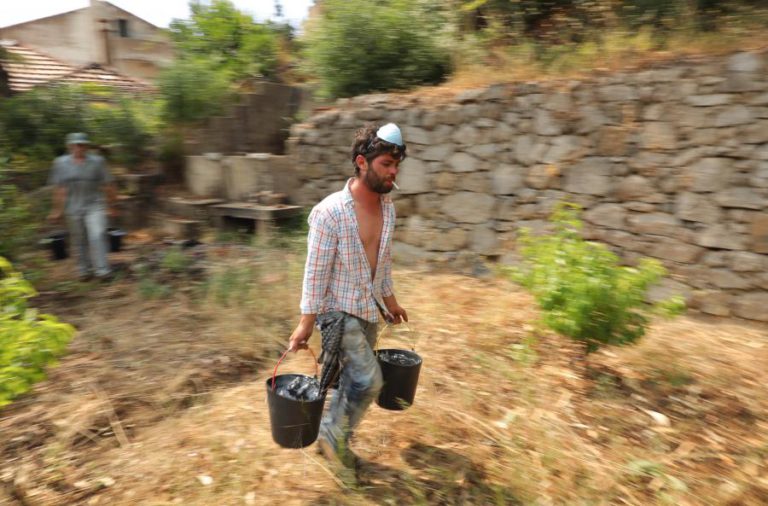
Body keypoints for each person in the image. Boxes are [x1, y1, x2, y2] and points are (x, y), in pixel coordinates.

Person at [288, 123, 409, 470]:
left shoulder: (388, 211)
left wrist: (390, 302)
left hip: (366, 310)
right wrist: (305, 323)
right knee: (369, 380)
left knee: (349, 381)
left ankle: (333, 443)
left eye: (396, 165)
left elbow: (381, 261)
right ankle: (330, 436)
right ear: (361, 162)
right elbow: (315, 271)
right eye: (386, 164)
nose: (393, 172)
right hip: (335, 312)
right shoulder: (330, 213)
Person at [47, 132, 117, 280]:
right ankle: (84, 270)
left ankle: (102, 271)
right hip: (73, 206)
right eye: (75, 144)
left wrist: (112, 205)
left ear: (87, 146)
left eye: (82, 144)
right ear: (69, 146)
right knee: (79, 239)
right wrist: (56, 210)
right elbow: (59, 189)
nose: (79, 147)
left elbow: (108, 184)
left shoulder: (98, 162)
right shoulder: (60, 163)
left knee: (97, 234)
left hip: (94, 204)